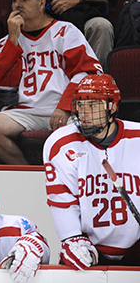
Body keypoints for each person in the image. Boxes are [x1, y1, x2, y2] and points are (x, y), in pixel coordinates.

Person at [0, 0, 102, 165]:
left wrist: (65, 106)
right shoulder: (5, 43)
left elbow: (88, 73)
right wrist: (13, 41)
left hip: (65, 110)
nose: (17, 5)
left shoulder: (66, 32)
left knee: (92, 131)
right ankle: (26, 174)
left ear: (42, 3)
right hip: (25, 111)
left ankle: (69, 180)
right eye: (14, 0)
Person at [44, 74, 140, 268]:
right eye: (80, 105)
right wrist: (71, 238)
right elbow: (62, 202)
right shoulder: (60, 144)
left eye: (93, 105)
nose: (84, 113)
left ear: (112, 107)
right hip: (88, 248)